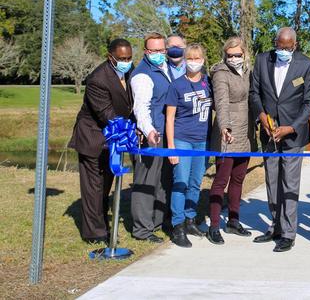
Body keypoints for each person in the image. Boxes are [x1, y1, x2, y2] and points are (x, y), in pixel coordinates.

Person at [249, 27, 310, 252]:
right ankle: (275, 225)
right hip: (269, 132)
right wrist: (261, 117)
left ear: (294, 46)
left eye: (287, 48)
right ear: (275, 42)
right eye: (279, 46)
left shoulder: (305, 65)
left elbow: (309, 102)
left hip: (293, 135)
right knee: (272, 180)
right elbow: (254, 93)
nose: (283, 50)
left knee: (289, 182)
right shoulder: (262, 61)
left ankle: (288, 233)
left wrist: (291, 127)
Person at [68, 38, 134, 244]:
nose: (127, 61)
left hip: (112, 140)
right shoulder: (98, 79)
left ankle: (103, 224)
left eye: (129, 57)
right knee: (93, 188)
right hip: (93, 137)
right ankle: (94, 233)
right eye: (122, 58)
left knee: (105, 186)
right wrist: (130, 132)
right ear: (110, 57)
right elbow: (107, 114)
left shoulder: (130, 73)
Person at [207, 36, 257, 245]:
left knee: (238, 179)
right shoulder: (220, 73)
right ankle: (214, 226)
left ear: (244, 54)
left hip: (246, 131)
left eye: (238, 55)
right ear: (225, 55)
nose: (234, 58)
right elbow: (221, 102)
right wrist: (224, 127)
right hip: (228, 132)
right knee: (221, 180)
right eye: (230, 55)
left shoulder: (247, 71)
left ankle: (234, 220)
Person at [164, 43, 212, 248]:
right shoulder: (176, 85)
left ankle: (191, 219)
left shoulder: (208, 83)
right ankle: (178, 225)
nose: (194, 62)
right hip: (182, 139)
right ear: (184, 60)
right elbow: (169, 119)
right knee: (181, 182)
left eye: (197, 58)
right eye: (190, 58)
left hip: (203, 140)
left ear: (203, 60)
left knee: (195, 181)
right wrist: (172, 147)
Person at [130, 32, 173, 243]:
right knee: (146, 182)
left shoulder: (165, 67)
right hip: (153, 135)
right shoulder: (142, 75)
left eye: (161, 50)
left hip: (167, 133)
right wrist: (148, 131)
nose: (158, 54)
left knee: (162, 181)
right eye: (153, 50)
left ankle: (156, 222)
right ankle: (142, 230)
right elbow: (141, 108)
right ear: (146, 51)